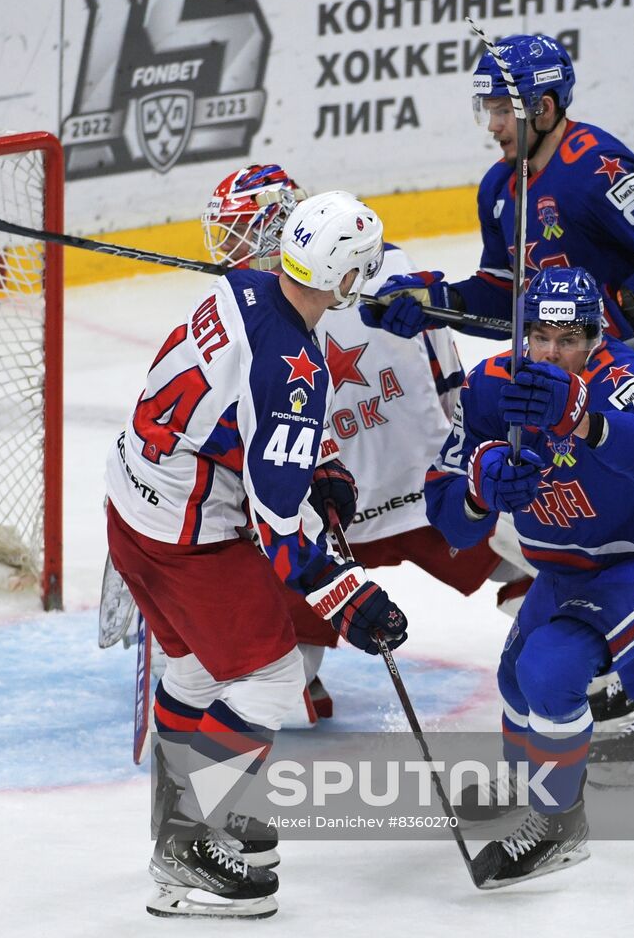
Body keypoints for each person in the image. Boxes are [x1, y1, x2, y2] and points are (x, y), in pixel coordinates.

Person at [361, 33, 634, 724]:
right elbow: (510, 297)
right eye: (486, 109)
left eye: (503, 109)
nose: (493, 125)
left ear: (547, 107)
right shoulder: (501, 189)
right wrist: (433, 302)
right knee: (588, 497)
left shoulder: (597, 168)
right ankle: (627, 631)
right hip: (580, 363)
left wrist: (602, 332)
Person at [105, 191, 409, 918]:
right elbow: (278, 530)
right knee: (272, 674)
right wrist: (349, 599)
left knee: (195, 668)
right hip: (187, 537)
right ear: (340, 278)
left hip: (131, 509)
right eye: (361, 268)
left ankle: (179, 824)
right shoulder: (294, 364)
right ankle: (187, 851)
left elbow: (246, 411)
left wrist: (320, 462)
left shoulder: (243, 285)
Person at [423, 266, 634, 887]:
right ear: (522, 334)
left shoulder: (618, 376)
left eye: (571, 339)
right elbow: (450, 515)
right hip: (571, 562)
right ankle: (529, 778)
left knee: (550, 672)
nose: (554, 352)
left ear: (596, 336)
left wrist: (586, 421)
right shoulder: (490, 389)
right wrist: (480, 493)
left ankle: (559, 826)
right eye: (541, 337)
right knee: (514, 679)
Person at [200, 164, 530, 718]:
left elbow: (450, 377)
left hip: (419, 485)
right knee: (279, 686)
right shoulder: (244, 307)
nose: (229, 249)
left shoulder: (385, 273)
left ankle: (603, 637)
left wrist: (463, 455)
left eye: (240, 231)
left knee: (533, 559)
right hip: (334, 499)